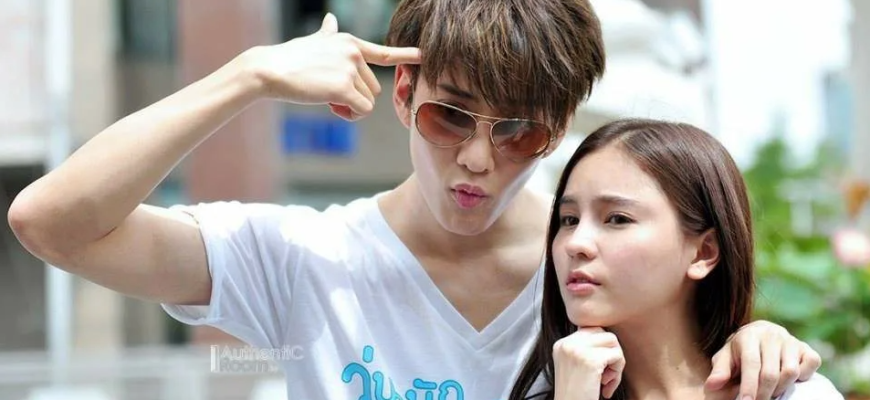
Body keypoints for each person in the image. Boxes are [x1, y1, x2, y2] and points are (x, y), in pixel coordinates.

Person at [8, 1, 819, 399]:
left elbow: (692, 356)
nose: (476, 158)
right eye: (449, 116)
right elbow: (52, 224)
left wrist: (761, 346)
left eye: (518, 131)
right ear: (403, 94)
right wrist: (246, 76)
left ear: (556, 133)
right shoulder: (304, 258)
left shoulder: (590, 274)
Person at [508, 119, 842, 400]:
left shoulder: (787, 392)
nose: (576, 243)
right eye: (569, 219)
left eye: (617, 218)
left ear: (704, 252)